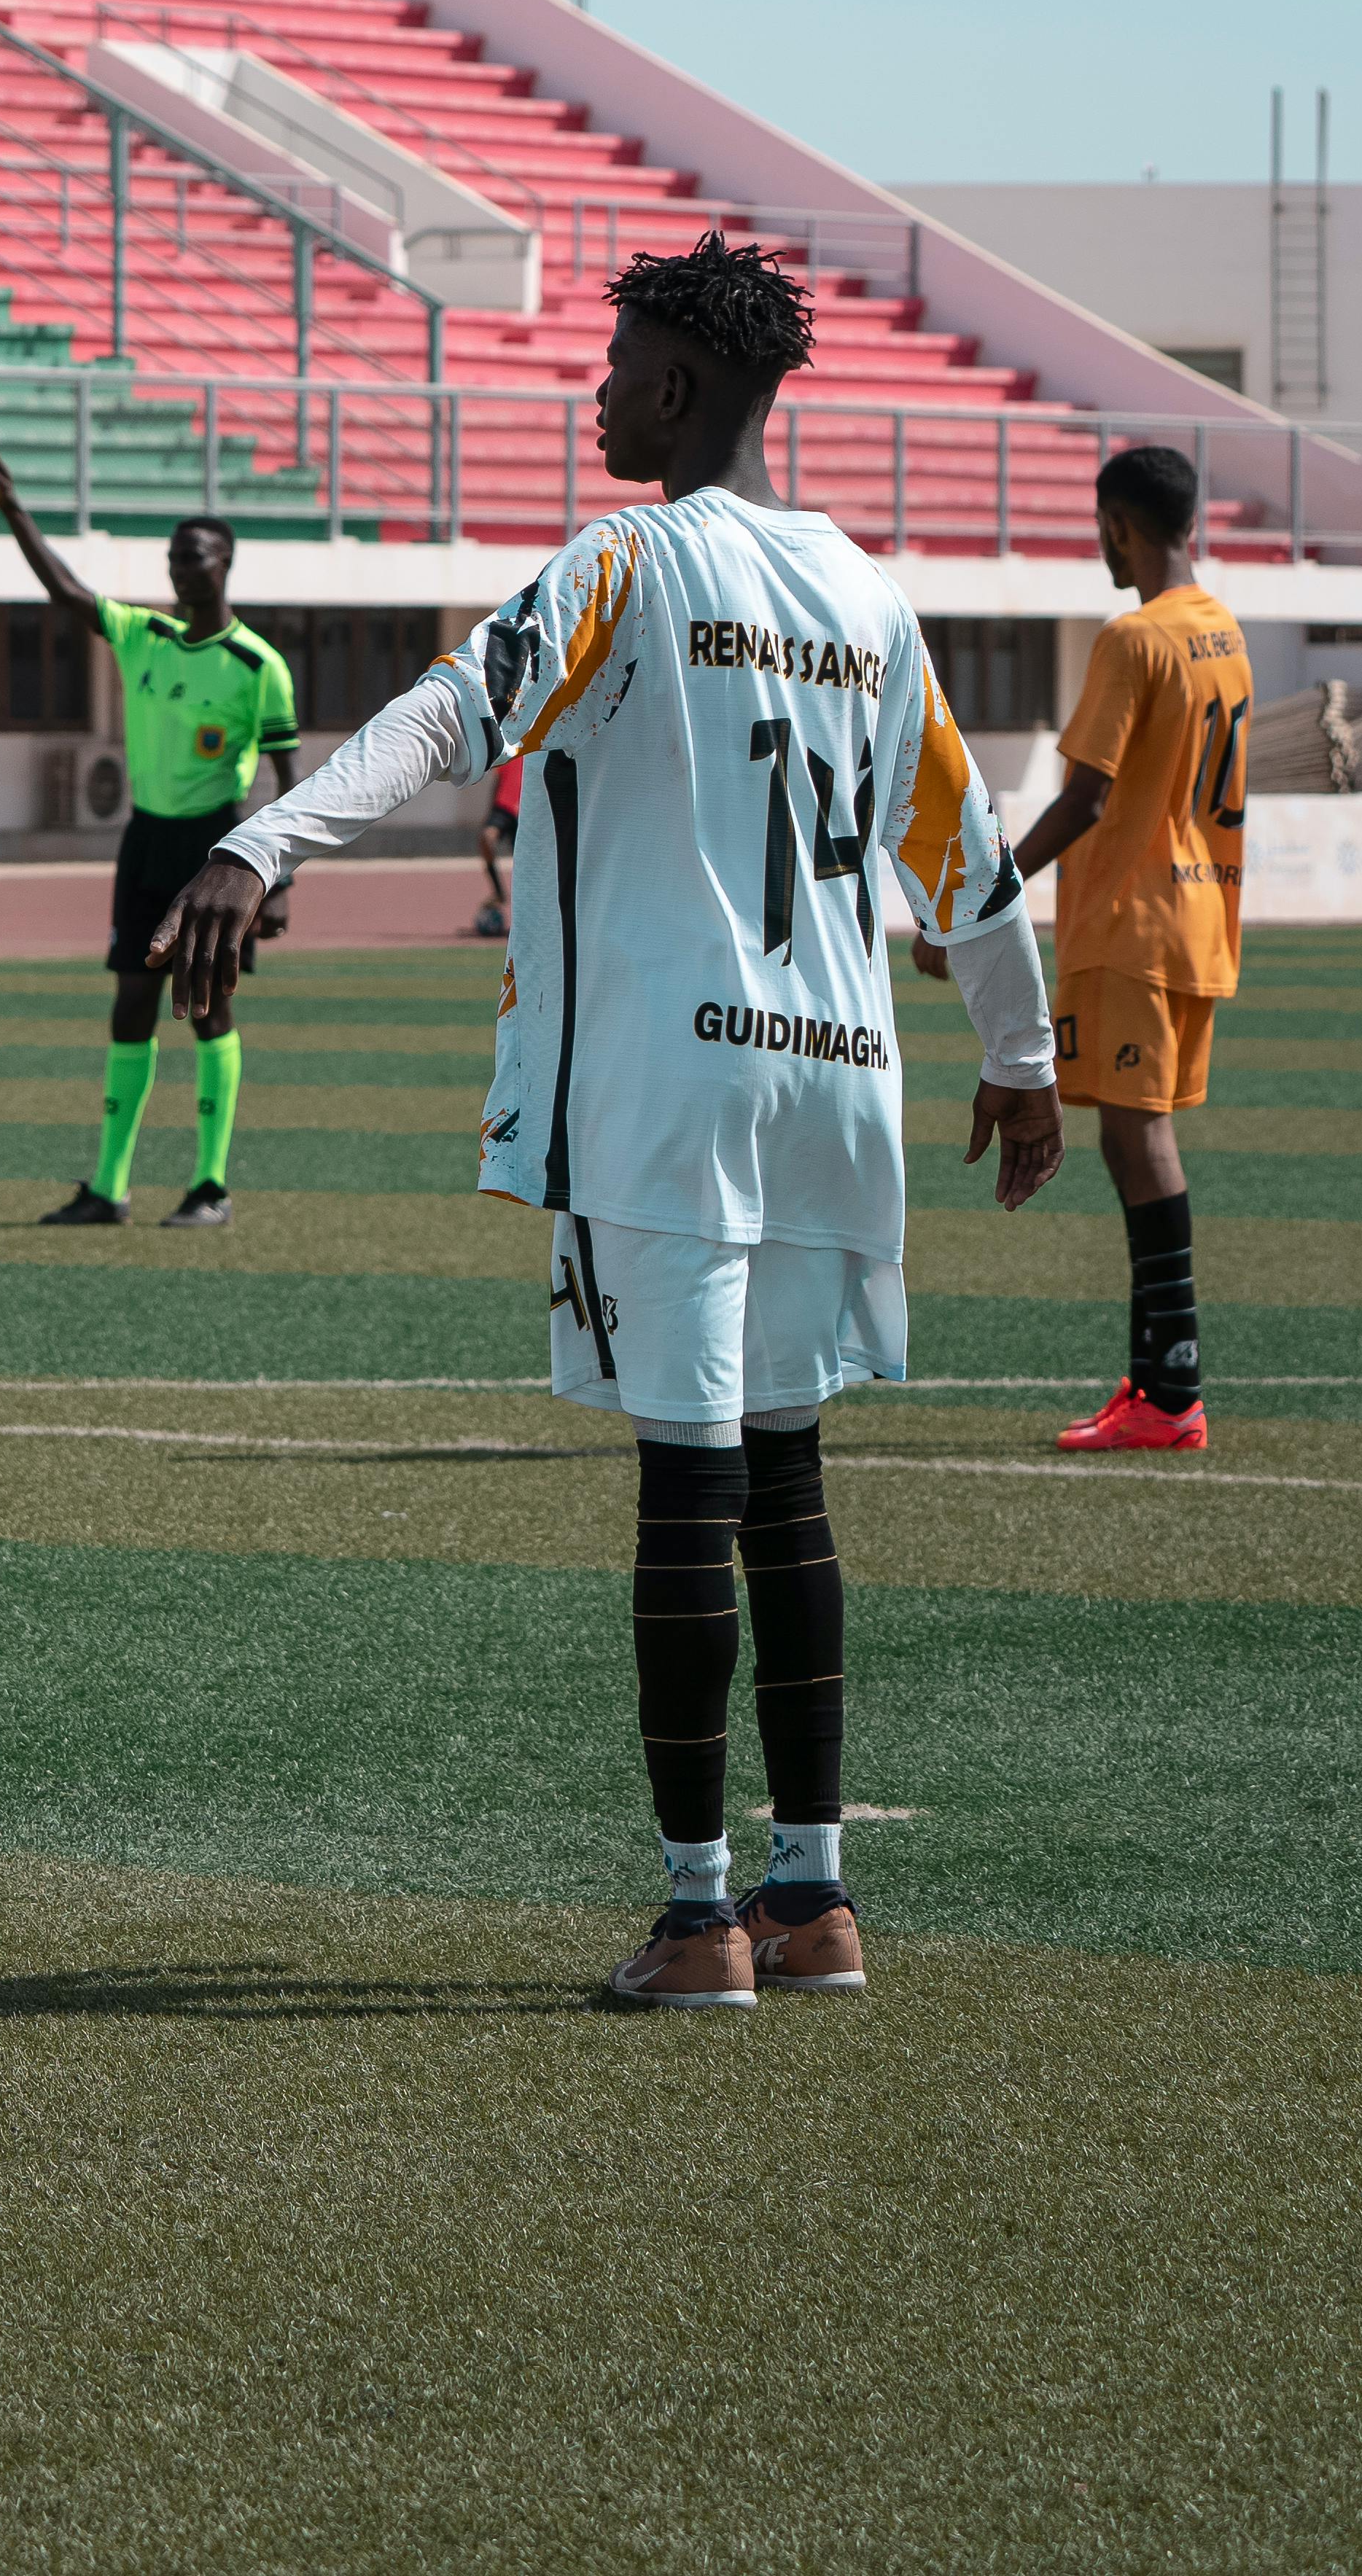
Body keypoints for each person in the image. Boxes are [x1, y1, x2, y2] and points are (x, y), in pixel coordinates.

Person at [166, 235, 1066, 2010]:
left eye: (620, 361)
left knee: (685, 1481)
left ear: (678, 387)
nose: (598, 391)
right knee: (789, 1482)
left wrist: (258, 838)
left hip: (678, 1083)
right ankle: (816, 1897)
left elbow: (449, 710)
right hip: (838, 1074)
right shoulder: (868, 598)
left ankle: (694, 1913)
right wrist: (1023, 1059)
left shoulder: (627, 561)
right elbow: (965, 855)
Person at [0, 447, 297, 1226]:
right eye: (173, 559)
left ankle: (208, 1186)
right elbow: (63, 589)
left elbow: (292, 782)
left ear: (224, 564)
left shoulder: (258, 667)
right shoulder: (140, 635)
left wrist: (278, 879)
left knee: (209, 1009)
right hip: (145, 843)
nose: (180, 570)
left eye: (195, 557)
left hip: (215, 850)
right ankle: (108, 1188)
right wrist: (11, 508)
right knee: (128, 1007)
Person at [1019, 444, 1250, 1454]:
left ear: (1120, 524)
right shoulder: (1223, 634)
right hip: (1202, 918)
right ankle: (1158, 1380)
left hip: (1132, 924)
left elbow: (1088, 796)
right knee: (1131, 1139)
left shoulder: (1134, 639)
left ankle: (1171, 1390)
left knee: (1138, 1142)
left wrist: (983, 895)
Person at [473, 751, 526, 942]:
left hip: (528, 806)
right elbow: (498, 780)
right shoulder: (512, 748)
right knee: (487, 838)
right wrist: (490, 813)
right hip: (505, 805)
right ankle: (498, 892)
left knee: (526, 862)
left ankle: (531, 914)